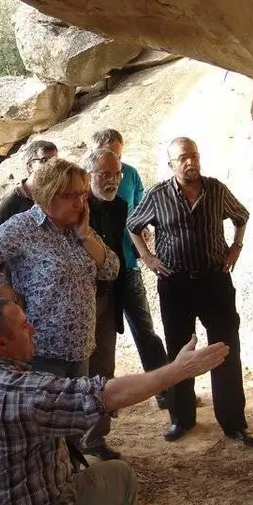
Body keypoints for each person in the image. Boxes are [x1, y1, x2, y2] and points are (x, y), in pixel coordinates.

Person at [0, 298, 230, 505]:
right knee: (120, 475)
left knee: (91, 462)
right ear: (1, 343)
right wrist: (178, 370)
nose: (33, 329)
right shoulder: (25, 393)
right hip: (43, 504)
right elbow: (106, 395)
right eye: (24, 325)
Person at [127, 137, 253, 445]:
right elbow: (133, 225)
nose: (191, 162)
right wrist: (147, 257)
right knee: (177, 353)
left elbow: (242, 216)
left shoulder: (216, 190)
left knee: (226, 350)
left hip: (215, 281)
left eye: (194, 156)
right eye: (183, 158)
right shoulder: (158, 195)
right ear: (171, 164)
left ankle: (234, 423)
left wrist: (236, 246)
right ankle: (181, 418)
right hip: (176, 285)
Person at [0, 157, 119, 379]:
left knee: (75, 413)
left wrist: (85, 236)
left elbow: (111, 270)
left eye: (82, 194)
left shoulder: (78, 228)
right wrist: (9, 295)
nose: (79, 203)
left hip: (81, 350)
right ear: (47, 194)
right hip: (41, 352)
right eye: (69, 195)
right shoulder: (24, 226)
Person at [92, 129, 170, 409]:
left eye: (119, 155)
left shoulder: (131, 175)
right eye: (109, 154)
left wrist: (145, 240)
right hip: (96, 279)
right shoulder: (84, 183)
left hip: (128, 265)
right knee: (100, 341)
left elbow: (139, 212)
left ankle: (166, 390)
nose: (113, 172)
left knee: (145, 330)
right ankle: (101, 403)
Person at [81, 148, 128, 460]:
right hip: (79, 301)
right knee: (77, 370)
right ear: (89, 177)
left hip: (107, 297)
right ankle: (73, 442)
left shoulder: (120, 205)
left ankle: (95, 440)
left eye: (116, 174)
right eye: (104, 174)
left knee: (103, 368)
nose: (111, 180)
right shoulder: (77, 206)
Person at [0, 140, 58, 233]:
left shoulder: (56, 196)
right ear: (30, 166)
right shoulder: (11, 202)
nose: (51, 166)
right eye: (44, 160)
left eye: (55, 161)